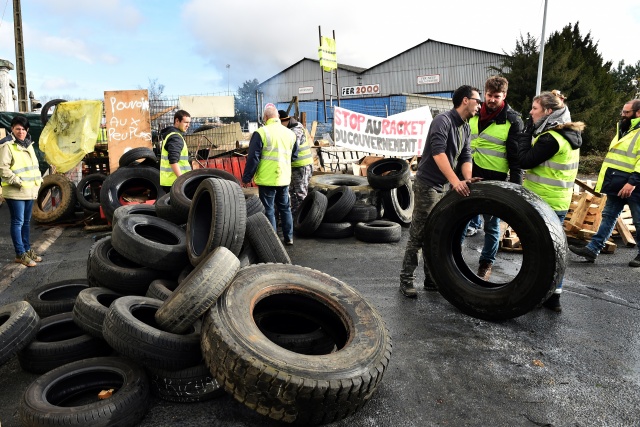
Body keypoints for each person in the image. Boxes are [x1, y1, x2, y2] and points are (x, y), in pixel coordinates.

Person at [399, 85, 482, 298]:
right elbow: (438, 154)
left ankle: (431, 279)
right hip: (428, 185)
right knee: (419, 234)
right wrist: (456, 182)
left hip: (444, 186)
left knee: (436, 233)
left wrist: (465, 179)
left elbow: (465, 157)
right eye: (477, 100)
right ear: (465, 100)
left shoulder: (465, 127)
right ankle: (406, 280)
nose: (479, 105)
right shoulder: (442, 121)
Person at [517, 90, 584, 312]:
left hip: (543, 202)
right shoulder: (567, 135)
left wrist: (526, 133)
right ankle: (553, 296)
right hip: (558, 202)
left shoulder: (551, 138)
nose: (530, 112)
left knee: (539, 253)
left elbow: (524, 160)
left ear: (548, 111)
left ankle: (540, 296)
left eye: (534, 109)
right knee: (553, 252)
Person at [569, 99, 640, 268]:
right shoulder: (623, 129)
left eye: (627, 112)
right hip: (616, 182)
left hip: (634, 185)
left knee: (638, 221)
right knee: (609, 216)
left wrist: (632, 182)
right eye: (622, 111)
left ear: (638, 113)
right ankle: (593, 249)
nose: (623, 115)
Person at [468, 76, 524, 280]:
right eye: (489, 95)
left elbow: (516, 159)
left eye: (496, 96)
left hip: (494, 179)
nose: (491, 100)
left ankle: (486, 263)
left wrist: (516, 189)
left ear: (504, 96)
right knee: (458, 220)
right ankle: (450, 259)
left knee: (491, 225)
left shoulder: (512, 120)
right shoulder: (472, 113)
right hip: (467, 175)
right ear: (485, 93)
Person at [242, 104, 298, 245]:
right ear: (278, 117)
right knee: (285, 208)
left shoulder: (261, 133)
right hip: (284, 178)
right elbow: (294, 156)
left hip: (267, 179)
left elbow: (253, 158)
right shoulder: (290, 134)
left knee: (269, 210)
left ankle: (273, 242)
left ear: (265, 117)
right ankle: (289, 237)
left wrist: (247, 177)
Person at [0, 115, 43, 267]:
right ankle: (20, 253)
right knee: (18, 222)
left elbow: (34, 166)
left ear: (27, 130)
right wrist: (18, 182)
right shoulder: (7, 145)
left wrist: (38, 181)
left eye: (23, 129)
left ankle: (27, 249)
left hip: (29, 190)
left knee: (26, 222)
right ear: (12, 129)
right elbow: (3, 169)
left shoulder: (28, 144)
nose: (21, 132)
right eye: (17, 129)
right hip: (15, 191)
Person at [279, 110, 313, 216]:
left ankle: (305, 218)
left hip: (302, 166)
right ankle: (295, 215)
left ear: (284, 121)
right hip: (293, 166)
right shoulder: (288, 129)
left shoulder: (296, 129)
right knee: (292, 192)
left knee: (301, 193)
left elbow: (292, 145)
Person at [159, 110, 191, 192]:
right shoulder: (176, 138)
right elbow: (173, 160)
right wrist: (182, 180)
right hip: (176, 182)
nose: (188, 125)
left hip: (171, 181)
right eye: (186, 122)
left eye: (189, 123)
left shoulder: (171, 135)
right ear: (177, 121)